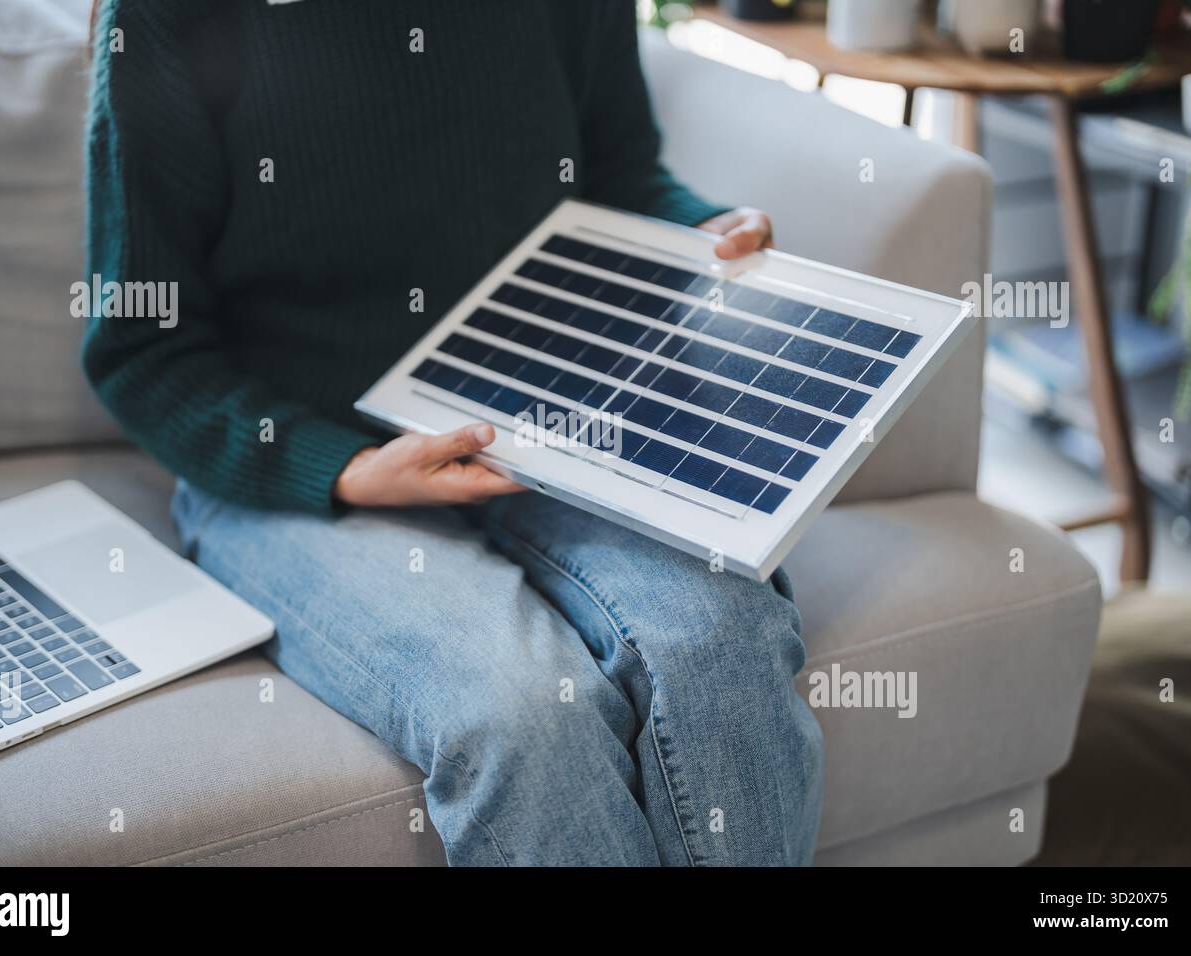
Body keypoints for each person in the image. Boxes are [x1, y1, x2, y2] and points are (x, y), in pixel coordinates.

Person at [83, 0, 823, 865]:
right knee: (517, 712)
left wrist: (696, 231)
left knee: (724, 640)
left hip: (545, 426)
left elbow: (617, 178)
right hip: (297, 463)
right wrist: (351, 468)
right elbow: (142, 350)